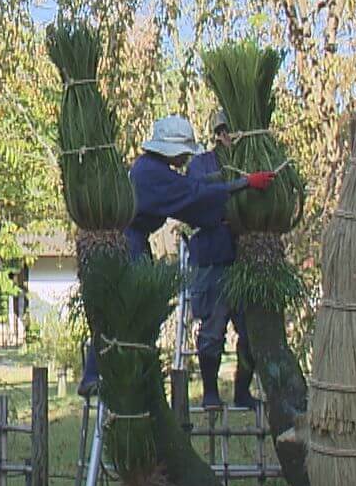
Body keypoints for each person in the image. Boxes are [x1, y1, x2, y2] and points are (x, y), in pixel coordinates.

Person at [79, 115, 274, 395]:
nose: (185, 158)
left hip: (132, 243)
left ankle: (101, 373)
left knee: (119, 314)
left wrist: (226, 178)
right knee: (122, 314)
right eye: (183, 152)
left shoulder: (150, 168)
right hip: (128, 246)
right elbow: (192, 195)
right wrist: (243, 184)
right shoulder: (152, 174)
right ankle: (98, 375)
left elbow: (189, 188)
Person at [183, 108, 258, 410]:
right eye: (225, 131)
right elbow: (201, 195)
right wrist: (240, 184)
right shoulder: (201, 165)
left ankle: (242, 391)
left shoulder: (251, 161)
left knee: (250, 332)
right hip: (211, 257)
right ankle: (211, 393)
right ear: (218, 133)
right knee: (212, 330)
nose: (229, 136)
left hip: (243, 258)